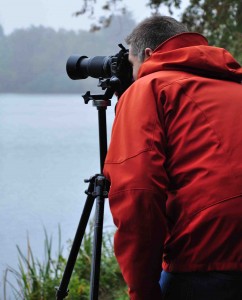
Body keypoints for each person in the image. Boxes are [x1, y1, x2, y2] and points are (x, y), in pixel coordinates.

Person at [103, 15, 242, 300]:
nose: (132, 75)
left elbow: (138, 196)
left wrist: (142, 291)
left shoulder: (149, 88)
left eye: (131, 65)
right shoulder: (234, 85)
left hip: (206, 259)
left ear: (149, 55)